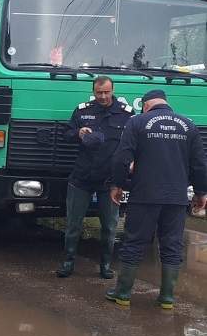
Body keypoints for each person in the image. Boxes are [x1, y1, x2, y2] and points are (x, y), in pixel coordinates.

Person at [106, 89, 207, 308]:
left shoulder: (138, 122)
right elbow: (200, 164)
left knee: (133, 242)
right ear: (166, 103)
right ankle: (167, 298)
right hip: (176, 197)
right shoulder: (188, 125)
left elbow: (122, 157)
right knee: (172, 245)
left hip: (144, 195)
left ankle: (123, 294)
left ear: (145, 105)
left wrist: (118, 184)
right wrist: (201, 192)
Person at [57, 76, 134, 279]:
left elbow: (134, 143)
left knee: (109, 226)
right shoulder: (82, 110)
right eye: (99, 93)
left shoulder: (126, 114)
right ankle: (68, 262)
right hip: (82, 177)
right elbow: (65, 134)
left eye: (106, 92)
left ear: (113, 90)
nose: (103, 96)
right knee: (73, 224)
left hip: (109, 180)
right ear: (94, 91)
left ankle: (106, 265)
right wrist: (78, 133)